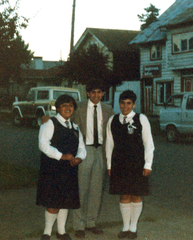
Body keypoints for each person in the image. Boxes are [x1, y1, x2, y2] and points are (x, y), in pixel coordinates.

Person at [36, 94, 86, 240]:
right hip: (52, 169)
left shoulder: (75, 127)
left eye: (70, 105)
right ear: (58, 108)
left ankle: (61, 231)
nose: (68, 108)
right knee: (52, 202)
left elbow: (82, 148)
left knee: (65, 201)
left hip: (69, 170)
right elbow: (43, 144)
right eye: (64, 105)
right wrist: (61, 156)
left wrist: (79, 158)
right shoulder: (50, 123)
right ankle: (47, 232)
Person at [106, 90, 155, 239]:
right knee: (124, 195)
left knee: (136, 195)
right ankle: (125, 227)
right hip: (119, 164)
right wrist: (109, 165)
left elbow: (149, 144)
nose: (125, 106)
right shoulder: (113, 120)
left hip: (137, 164)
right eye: (122, 103)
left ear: (133, 104)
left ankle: (133, 228)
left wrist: (148, 164)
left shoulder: (141, 119)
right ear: (119, 104)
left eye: (128, 103)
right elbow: (109, 144)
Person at [71, 81, 115, 238]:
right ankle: (79, 225)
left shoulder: (108, 109)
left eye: (100, 92)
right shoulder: (79, 107)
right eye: (93, 92)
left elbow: (113, 130)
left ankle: (91, 223)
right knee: (81, 189)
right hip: (85, 150)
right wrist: (47, 118)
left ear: (103, 94)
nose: (96, 95)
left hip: (101, 151)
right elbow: (65, 120)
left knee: (97, 189)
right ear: (88, 93)